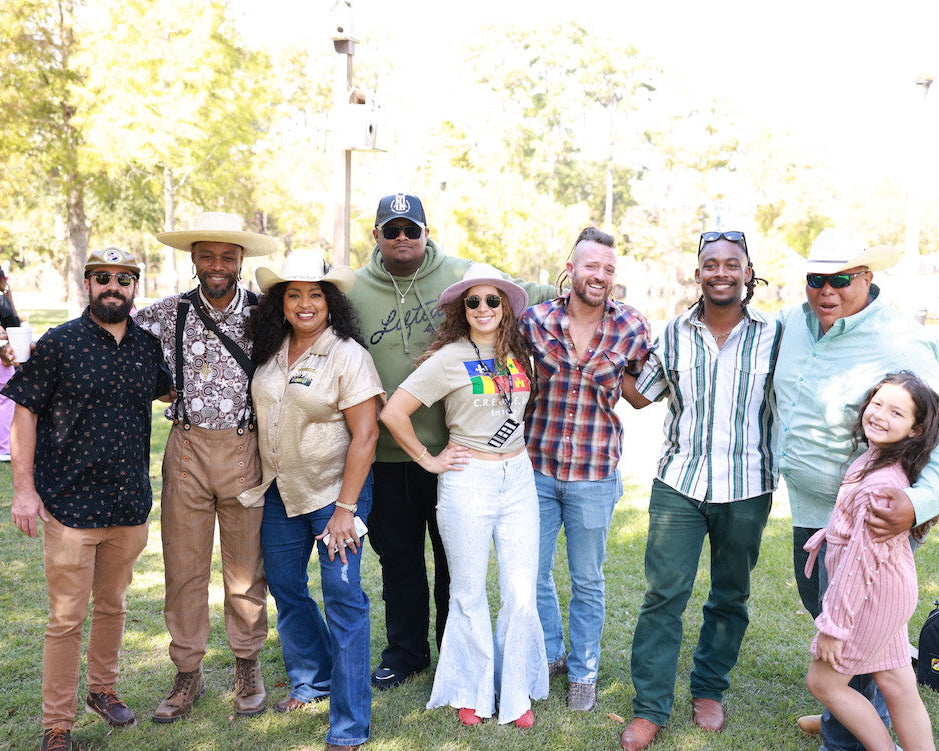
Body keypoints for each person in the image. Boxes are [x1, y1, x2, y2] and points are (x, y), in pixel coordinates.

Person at [345, 193, 554, 690]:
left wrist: (585, 284)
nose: (402, 238)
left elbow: (531, 291)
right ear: (376, 234)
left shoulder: (463, 276)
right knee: (399, 560)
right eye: (391, 229)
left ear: (426, 231)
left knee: (453, 561)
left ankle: (455, 651)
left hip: (457, 456)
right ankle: (406, 652)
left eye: (411, 229)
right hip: (390, 454)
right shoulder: (353, 289)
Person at [774, 228, 939, 751]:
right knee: (875, 654)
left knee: (846, 637)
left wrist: (917, 504)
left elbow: (935, 428)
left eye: (841, 279)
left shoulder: (900, 341)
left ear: (867, 278)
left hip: (871, 522)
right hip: (814, 513)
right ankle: (843, 715)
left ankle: (844, 737)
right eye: (817, 279)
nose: (827, 291)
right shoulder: (791, 325)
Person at [617, 231, 781, 750]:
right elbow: (641, 396)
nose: (721, 272)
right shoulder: (672, 335)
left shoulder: (776, 335)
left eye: (732, 264)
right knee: (664, 595)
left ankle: (709, 689)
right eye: (711, 264)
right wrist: (606, 343)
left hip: (748, 484)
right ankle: (650, 708)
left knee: (731, 595)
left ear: (748, 273)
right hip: (679, 484)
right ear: (698, 275)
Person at [5, 248, 171, 751]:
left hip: (128, 505)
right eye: (103, 277)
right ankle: (57, 725)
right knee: (65, 618)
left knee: (114, 607)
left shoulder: (146, 346)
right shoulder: (59, 343)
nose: (113, 286)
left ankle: (103, 690)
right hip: (69, 506)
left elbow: (169, 392)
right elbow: (24, 416)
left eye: (124, 278)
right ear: (87, 282)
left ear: (135, 287)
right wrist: (23, 490)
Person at [380, 263, 548, 727]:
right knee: (469, 592)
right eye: (472, 301)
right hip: (467, 481)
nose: (483, 308)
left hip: (518, 479)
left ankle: (515, 693)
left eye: (493, 300)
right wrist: (428, 460)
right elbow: (395, 412)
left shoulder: (520, 353)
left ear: (506, 306)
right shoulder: (450, 357)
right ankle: (471, 690)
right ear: (462, 308)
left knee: (519, 592)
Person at [134, 211, 280, 721]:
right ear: (194, 258)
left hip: (245, 448)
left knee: (245, 569)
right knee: (184, 565)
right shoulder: (165, 313)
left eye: (227, 256)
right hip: (187, 447)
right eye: (207, 255)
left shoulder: (268, 313)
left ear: (241, 260)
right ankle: (187, 672)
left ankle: (246, 664)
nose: (217, 265)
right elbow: (113, 340)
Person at [238, 248, 383, 751]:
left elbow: (366, 437)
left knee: (343, 599)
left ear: (330, 302)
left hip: (334, 496)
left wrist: (346, 510)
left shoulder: (347, 355)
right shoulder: (272, 351)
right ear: (280, 303)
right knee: (284, 585)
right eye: (294, 294)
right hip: (280, 491)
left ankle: (349, 725)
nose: (304, 304)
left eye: (314, 295)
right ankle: (312, 677)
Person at [518, 227, 651, 713]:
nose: (600, 275)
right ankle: (552, 651)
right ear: (571, 269)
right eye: (591, 266)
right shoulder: (534, 321)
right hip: (536, 466)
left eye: (609, 269)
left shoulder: (632, 327)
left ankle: (584, 672)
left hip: (594, 473)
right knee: (532, 573)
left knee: (588, 580)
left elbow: (640, 393)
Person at [804, 372, 938, 751]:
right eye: (877, 403)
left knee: (824, 683)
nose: (880, 415)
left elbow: (859, 567)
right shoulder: (875, 458)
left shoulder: (881, 484)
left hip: (873, 594)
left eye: (896, 412)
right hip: (892, 588)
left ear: (915, 429)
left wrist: (834, 627)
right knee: (897, 683)